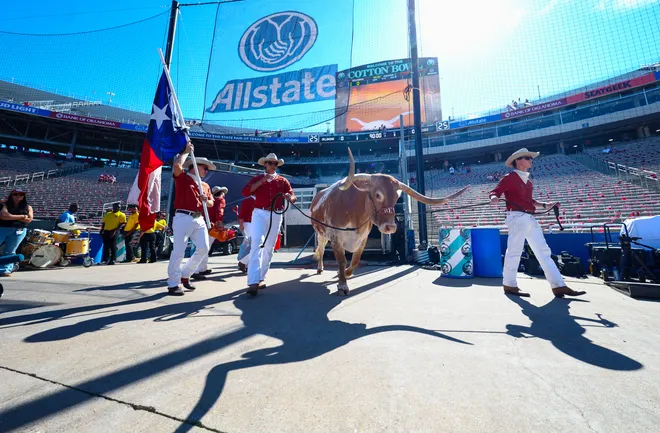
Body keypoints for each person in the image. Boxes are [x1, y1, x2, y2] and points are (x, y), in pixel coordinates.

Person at [488, 148, 586, 298]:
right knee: (514, 251)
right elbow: (495, 191)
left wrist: (546, 205)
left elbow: (531, 201)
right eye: (527, 158)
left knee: (544, 252)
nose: (530, 160)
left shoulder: (528, 181)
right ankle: (509, 284)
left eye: (530, 158)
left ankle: (559, 286)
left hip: (529, 217)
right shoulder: (510, 177)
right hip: (517, 217)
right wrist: (494, 198)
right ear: (518, 160)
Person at [242, 153, 295, 296]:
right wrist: (262, 181)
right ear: (265, 164)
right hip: (259, 212)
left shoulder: (283, 181)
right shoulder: (257, 178)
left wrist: (290, 197)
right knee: (257, 244)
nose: (273, 165)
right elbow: (245, 191)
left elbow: (292, 195)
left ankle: (261, 277)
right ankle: (253, 281)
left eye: (275, 164)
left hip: (276, 214)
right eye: (270, 163)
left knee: (269, 247)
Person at [167, 142, 215, 296]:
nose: (207, 171)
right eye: (204, 167)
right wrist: (186, 152)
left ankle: (185, 274)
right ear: (195, 166)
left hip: (199, 218)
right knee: (179, 251)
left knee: (204, 248)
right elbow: (176, 166)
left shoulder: (206, 186)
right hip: (182, 216)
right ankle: (173, 283)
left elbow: (211, 203)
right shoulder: (184, 178)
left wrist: (205, 201)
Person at [193, 186, 228, 278]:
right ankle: (196, 270)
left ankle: (203, 268)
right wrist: (220, 223)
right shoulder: (220, 200)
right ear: (221, 193)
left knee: (204, 247)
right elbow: (220, 212)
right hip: (212, 226)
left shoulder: (209, 201)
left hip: (203, 223)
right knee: (204, 248)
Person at [0, 188, 33, 276]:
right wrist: (22, 216)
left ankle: (5, 270)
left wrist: (11, 216)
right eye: (15, 194)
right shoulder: (5, 204)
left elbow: (29, 219)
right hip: (3, 228)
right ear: (11, 195)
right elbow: (3, 216)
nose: (18, 196)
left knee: (10, 250)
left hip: (19, 230)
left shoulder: (28, 207)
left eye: (21, 195)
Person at [237, 195, 255, 273]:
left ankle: (246, 265)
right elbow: (242, 214)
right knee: (254, 245)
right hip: (249, 224)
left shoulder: (261, 199)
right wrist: (241, 224)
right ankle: (244, 262)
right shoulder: (247, 201)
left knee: (251, 246)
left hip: (254, 224)